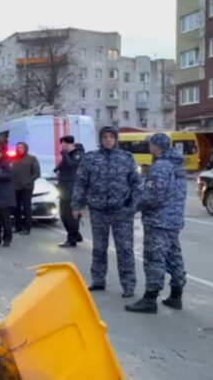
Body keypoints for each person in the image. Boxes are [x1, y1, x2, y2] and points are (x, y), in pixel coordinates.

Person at [72, 126, 142, 298]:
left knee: (125, 249)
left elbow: (137, 183)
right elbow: (81, 183)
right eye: (105, 137)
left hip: (121, 211)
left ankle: (128, 285)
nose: (108, 139)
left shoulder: (126, 158)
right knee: (99, 248)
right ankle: (98, 280)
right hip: (98, 210)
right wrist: (76, 205)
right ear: (101, 139)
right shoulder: (90, 159)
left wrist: (133, 205)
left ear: (116, 139)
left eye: (111, 137)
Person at [126, 133, 187, 314]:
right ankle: (176, 295)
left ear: (155, 146)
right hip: (174, 219)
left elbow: (153, 196)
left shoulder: (160, 166)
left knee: (154, 258)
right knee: (174, 256)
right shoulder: (178, 165)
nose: (149, 148)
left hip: (158, 220)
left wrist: (133, 208)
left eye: (150, 145)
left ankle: (150, 298)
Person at [54, 136, 85, 247]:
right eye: (61, 144)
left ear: (69, 144)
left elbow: (70, 165)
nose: (62, 146)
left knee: (71, 216)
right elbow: (61, 167)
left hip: (73, 190)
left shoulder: (78, 155)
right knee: (63, 215)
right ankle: (75, 235)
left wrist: (64, 153)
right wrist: (57, 170)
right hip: (63, 189)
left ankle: (72, 238)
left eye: (64, 144)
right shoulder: (68, 155)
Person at [12, 142, 40, 235]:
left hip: (26, 187)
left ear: (25, 148)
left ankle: (27, 228)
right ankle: (18, 227)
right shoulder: (13, 159)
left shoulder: (32, 159)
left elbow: (36, 172)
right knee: (16, 208)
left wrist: (29, 181)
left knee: (27, 208)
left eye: (21, 147)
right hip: (15, 187)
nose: (19, 149)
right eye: (18, 147)